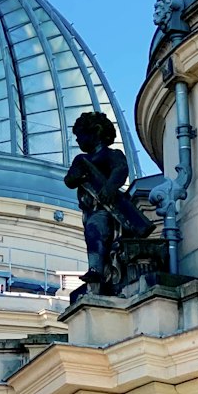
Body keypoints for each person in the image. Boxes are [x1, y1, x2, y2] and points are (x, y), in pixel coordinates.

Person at [64, 112, 151, 285]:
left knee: (96, 232)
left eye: (80, 135)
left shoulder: (111, 155)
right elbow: (69, 180)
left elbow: (121, 170)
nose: (77, 141)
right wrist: (78, 175)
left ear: (95, 132)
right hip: (90, 209)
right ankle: (98, 269)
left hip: (105, 209)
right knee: (92, 235)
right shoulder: (81, 160)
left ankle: (96, 270)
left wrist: (109, 187)